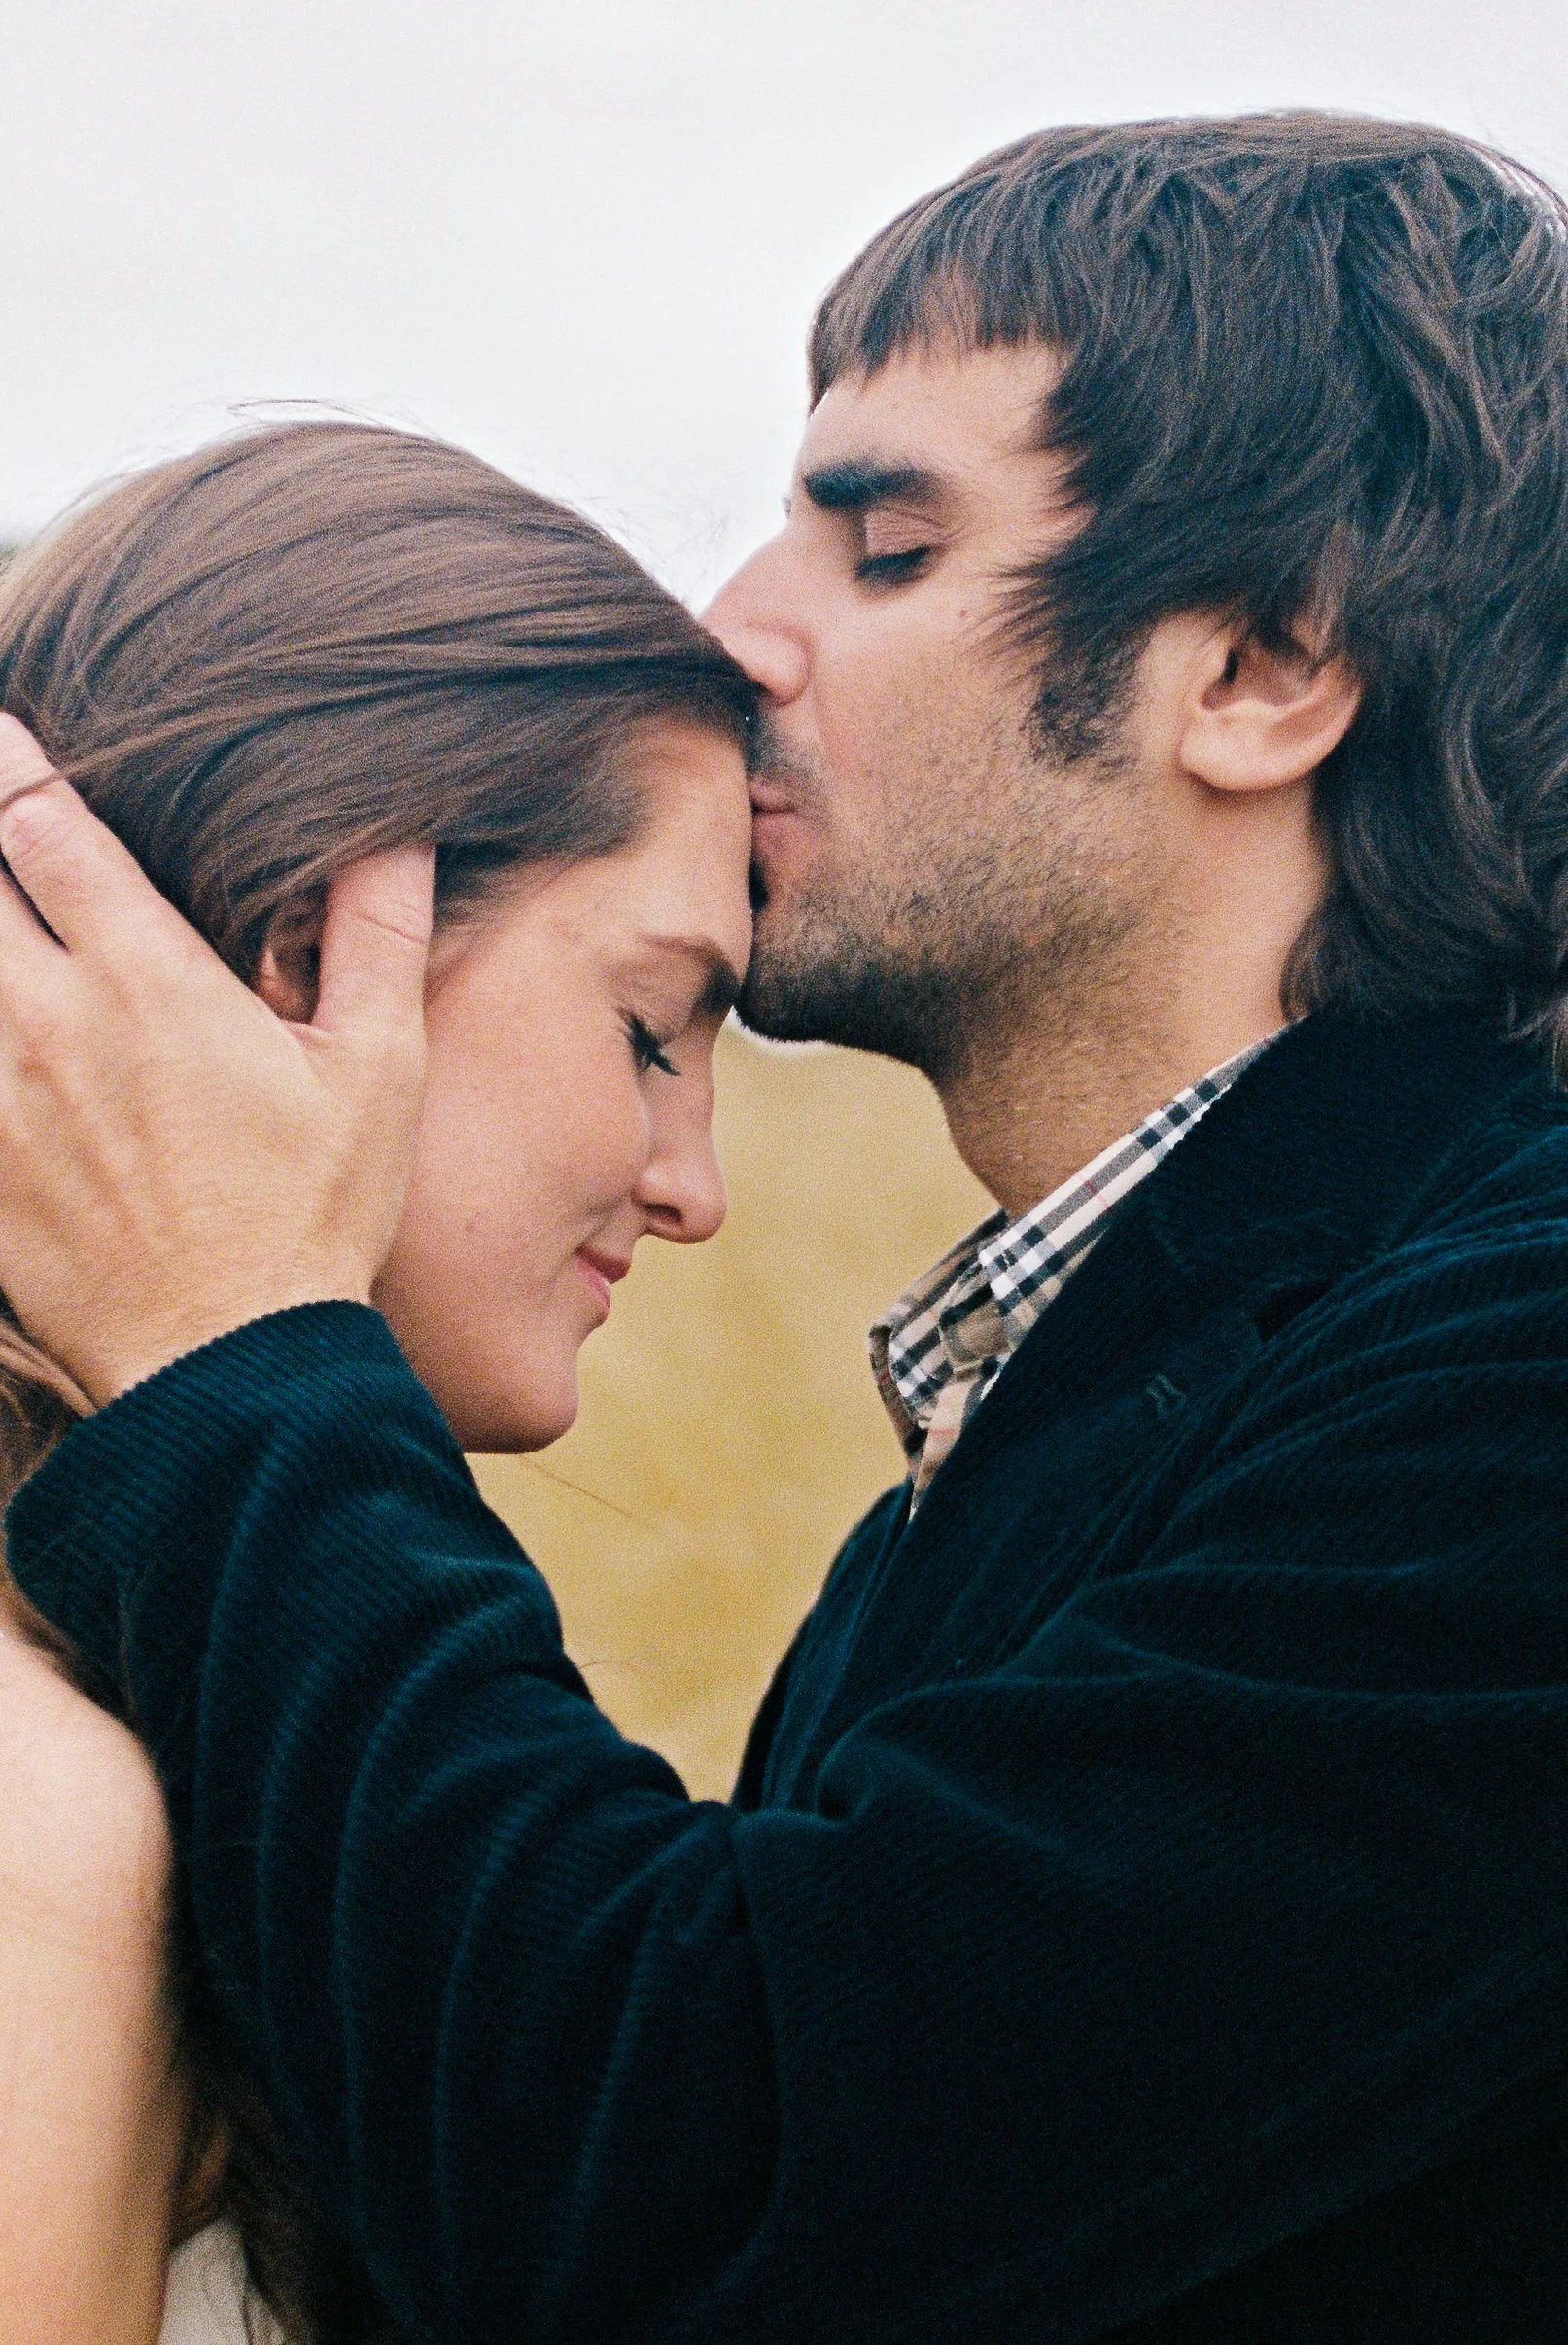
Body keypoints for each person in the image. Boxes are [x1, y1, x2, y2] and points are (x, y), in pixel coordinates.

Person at [2, 107, 1568, 2341]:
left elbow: (695, 2186)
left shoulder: (1507, 1384)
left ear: (1253, 675)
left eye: (885, 546)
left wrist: (235, 1351)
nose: (738, 628)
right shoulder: (1025, 1450)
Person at [0, 419, 755, 2339]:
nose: (696, 1187)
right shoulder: (35, 1822)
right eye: (650, 1029)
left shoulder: (175, 1716)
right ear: (312, 950)